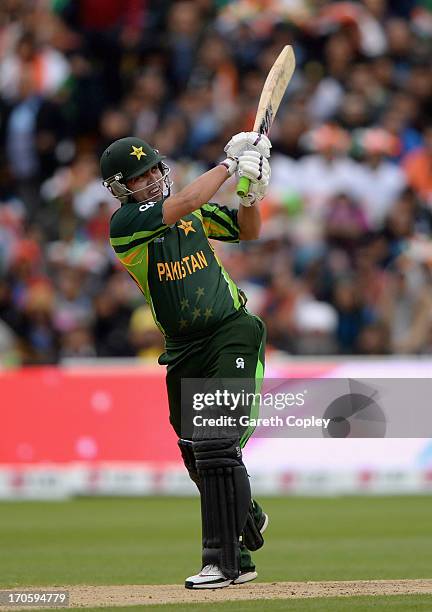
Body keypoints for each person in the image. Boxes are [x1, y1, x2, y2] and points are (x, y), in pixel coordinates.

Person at [100, 132, 271, 589]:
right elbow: (190, 198)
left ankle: (222, 563)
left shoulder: (195, 213)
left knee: (216, 442)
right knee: (196, 453)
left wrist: (250, 195)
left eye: (154, 170)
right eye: (139, 177)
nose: (152, 180)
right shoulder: (126, 226)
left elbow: (248, 230)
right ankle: (246, 517)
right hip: (183, 350)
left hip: (231, 332)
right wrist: (230, 165)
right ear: (121, 189)